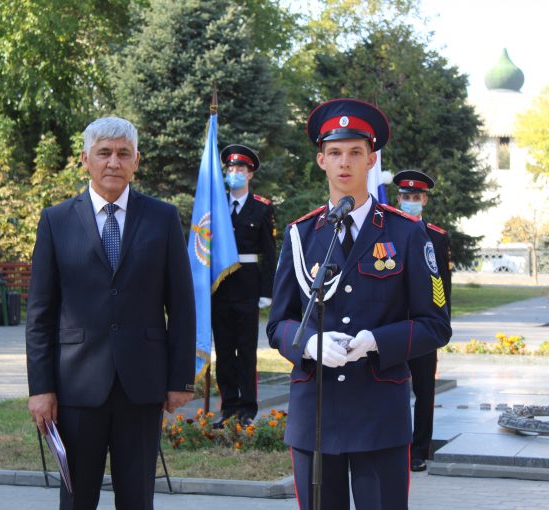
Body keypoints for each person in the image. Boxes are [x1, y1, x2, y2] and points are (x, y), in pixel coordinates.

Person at [267, 98, 452, 510]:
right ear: (321, 160)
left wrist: (375, 341)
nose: (344, 162)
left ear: (372, 160)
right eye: (335, 153)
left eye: (355, 152)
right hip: (316, 412)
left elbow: (435, 324)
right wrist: (309, 343)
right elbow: (279, 323)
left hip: (379, 413)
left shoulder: (407, 235)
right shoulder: (301, 235)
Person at [26, 116, 196, 510]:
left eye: (123, 154)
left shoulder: (162, 217)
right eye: (104, 153)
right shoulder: (56, 221)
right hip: (75, 387)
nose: (113, 163)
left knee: (137, 498)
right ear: (85, 159)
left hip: (142, 385)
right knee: (76, 499)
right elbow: (40, 313)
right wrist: (40, 388)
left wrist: (180, 380)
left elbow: (183, 306)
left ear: (137, 160)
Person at [211, 144, 276, 426]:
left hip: (248, 286)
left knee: (246, 350)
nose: (234, 173)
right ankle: (228, 406)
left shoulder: (261, 208)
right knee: (224, 350)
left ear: (250, 174)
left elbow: (269, 252)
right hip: (220, 287)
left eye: (240, 169)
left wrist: (266, 291)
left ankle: (247, 408)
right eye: (231, 168)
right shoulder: (214, 205)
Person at [393, 169, 453, 472]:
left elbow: (442, 284)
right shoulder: (387, 231)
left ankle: (419, 450)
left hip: (424, 327)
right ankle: (394, 446)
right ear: (398, 198)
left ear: (424, 200)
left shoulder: (438, 238)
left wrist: (441, 323)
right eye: (406, 197)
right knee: (391, 389)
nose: (410, 202)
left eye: (415, 197)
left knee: (424, 391)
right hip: (392, 326)